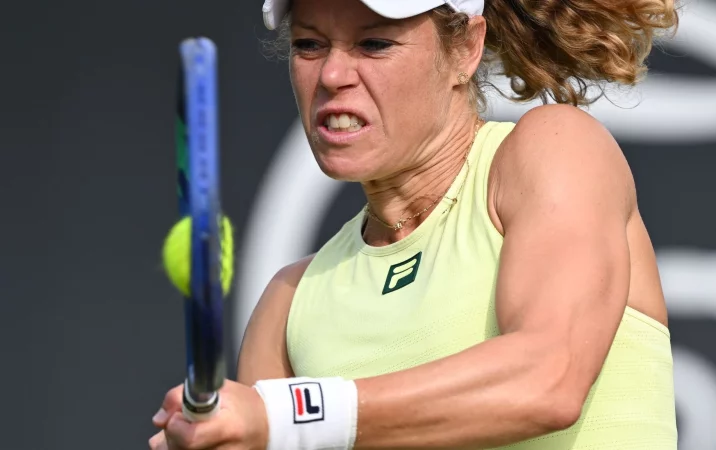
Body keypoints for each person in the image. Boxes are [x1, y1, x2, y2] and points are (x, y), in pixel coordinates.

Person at [150, 0, 680, 448]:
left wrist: (281, 416)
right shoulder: (288, 302)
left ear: (465, 50)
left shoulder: (557, 148)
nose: (332, 75)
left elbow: (549, 378)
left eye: (375, 44)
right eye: (309, 45)